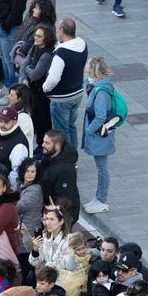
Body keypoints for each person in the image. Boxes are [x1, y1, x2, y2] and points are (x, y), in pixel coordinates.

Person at [42, 18, 89, 152]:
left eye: (58, 29)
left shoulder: (61, 53)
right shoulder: (82, 45)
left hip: (61, 98)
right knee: (71, 126)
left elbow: (53, 79)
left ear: (62, 31)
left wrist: (45, 88)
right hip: (77, 93)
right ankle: (73, 156)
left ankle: (67, 158)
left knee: (61, 131)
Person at [80, 56, 118, 214]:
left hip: (99, 135)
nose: (85, 65)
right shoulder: (96, 85)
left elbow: (101, 116)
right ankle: (98, 198)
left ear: (94, 68)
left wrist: (89, 130)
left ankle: (101, 199)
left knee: (102, 168)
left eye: (88, 64)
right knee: (101, 167)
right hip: (98, 133)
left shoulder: (101, 92)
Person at [38, 130, 81, 223]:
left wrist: (53, 218)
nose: (42, 145)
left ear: (57, 146)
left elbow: (63, 199)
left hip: (61, 216)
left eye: (47, 143)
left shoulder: (65, 170)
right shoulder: (49, 156)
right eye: (43, 141)